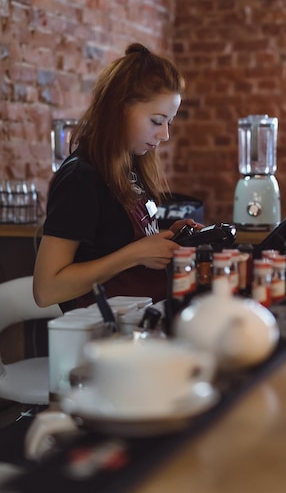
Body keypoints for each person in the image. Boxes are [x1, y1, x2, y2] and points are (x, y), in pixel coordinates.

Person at [33, 43, 202, 312]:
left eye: (169, 123)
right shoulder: (81, 178)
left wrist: (168, 238)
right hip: (100, 340)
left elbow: (113, 241)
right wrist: (134, 255)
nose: (165, 135)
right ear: (119, 107)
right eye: (157, 121)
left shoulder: (129, 168)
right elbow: (46, 289)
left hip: (140, 323)